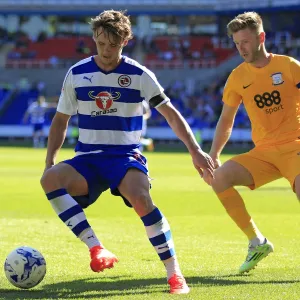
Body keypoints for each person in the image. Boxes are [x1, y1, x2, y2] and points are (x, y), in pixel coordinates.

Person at [40, 10, 214, 294]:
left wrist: (195, 150)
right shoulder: (77, 73)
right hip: (88, 158)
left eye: (114, 45)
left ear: (125, 41)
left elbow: (170, 113)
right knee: (49, 179)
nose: (107, 51)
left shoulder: (139, 74)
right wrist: (50, 161)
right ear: (94, 38)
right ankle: (96, 248)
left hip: (125, 157)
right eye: (101, 44)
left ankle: (175, 274)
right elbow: (61, 120)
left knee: (142, 199)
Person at [203, 11, 300, 274]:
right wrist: (213, 156)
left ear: (261, 38)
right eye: (236, 43)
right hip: (264, 153)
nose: (241, 48)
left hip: (296, 147)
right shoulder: (237, 76)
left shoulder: (290, 66)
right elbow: (226, 120)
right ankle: (257, 242)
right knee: (219, 178)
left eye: (245, 41)